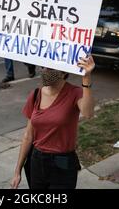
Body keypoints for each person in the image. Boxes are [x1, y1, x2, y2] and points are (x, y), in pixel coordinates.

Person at [10, 55, 95, 189]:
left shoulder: (75, 93)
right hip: (37, 161)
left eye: (50, 68)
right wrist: (17, 171)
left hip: (63, 163)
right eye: (43, 66)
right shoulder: (36, 94)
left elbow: (88, 113)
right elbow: (28, 136)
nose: (45, 71)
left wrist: (86, 77)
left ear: (64, 71)